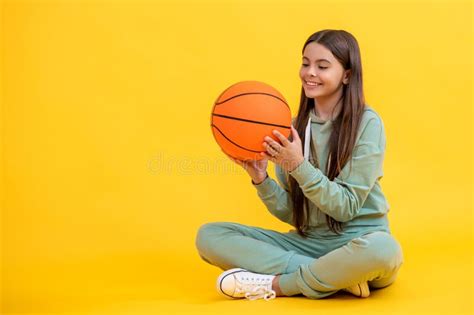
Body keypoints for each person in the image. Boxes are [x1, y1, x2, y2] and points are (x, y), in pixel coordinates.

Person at [196, 29, 404, 301]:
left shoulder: (367, 123)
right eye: (305, 63)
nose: (309, 72)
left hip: (358, 243)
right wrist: (262, 180)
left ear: (347, 75)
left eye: (322, 66)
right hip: (307, 246)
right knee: (210, 236)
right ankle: (336, 278)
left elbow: (346, 207)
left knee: (385, 250)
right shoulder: (291, 128)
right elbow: (295, 215)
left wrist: (297, 164)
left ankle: (279, 285)